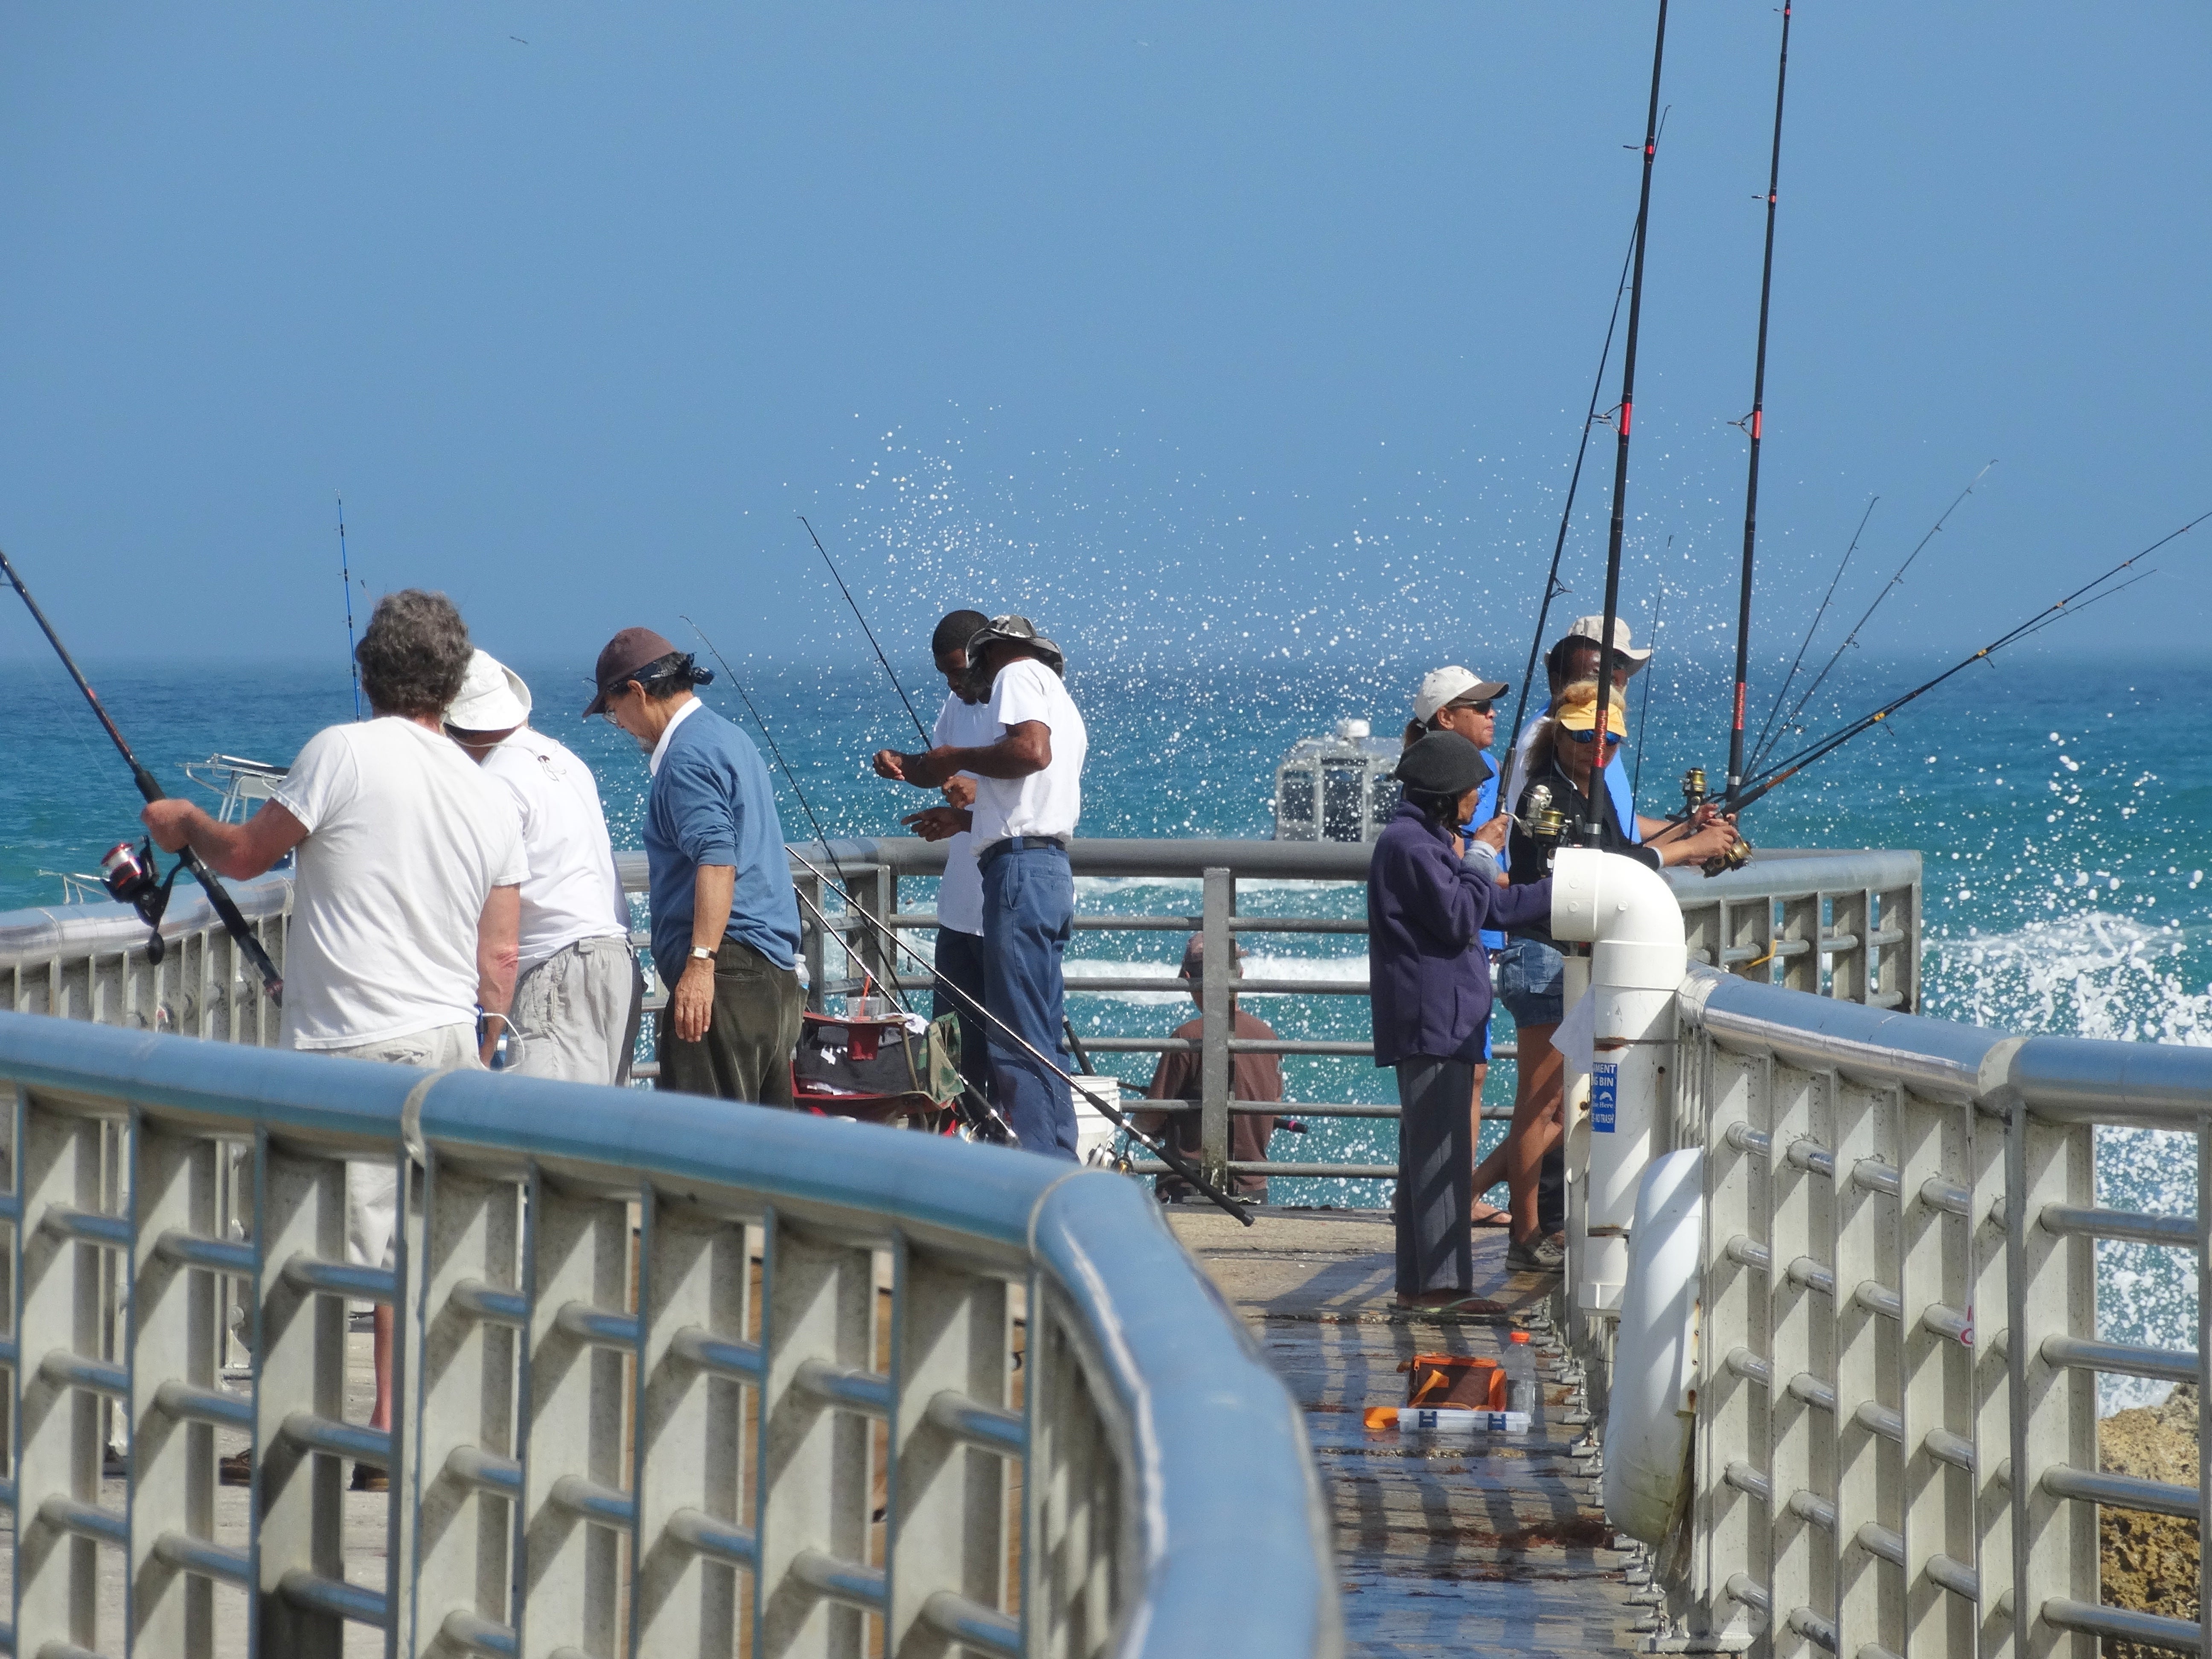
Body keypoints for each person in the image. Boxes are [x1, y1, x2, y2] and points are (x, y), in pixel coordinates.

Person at [142, 588, 525, 1487]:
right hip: (445, 1049)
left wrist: (181, 823)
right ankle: (391, 1433)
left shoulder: (339, 753)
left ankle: (294, 1435)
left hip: (343, 1051)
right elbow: (500, 952)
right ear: (454, 680)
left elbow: (244, 857)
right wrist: (486, 1040)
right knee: (407, 1251)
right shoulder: (488, 793)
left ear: (369, 670)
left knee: (304, 1255)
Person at [1496, 681, 1738, 1270]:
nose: (1597, 747)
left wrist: (1689, 830)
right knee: (1545, 1104)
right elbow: (1588, 875)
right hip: (1543, 959)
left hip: (1574, 962)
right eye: (1583, 735)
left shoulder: (1592, 785)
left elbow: (1621, 843)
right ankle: (1525, 1235)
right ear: (1560, 731)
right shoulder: (1546, 794)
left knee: (1559, 1101)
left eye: (1610, 738)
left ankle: (1515, 1211)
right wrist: (1683, 851)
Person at [872, 615, 1087, 1159]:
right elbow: (1025, 799)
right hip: (1046, 871)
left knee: (1014, 1042)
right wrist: (918, 767)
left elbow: (1030, 753)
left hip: (1018, 874)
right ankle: (1058, 1160)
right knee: (1036, 1036)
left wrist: (961, 757)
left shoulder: (1015, 675)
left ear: (987, 653)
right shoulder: (1054, 692)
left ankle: (1037, 1172)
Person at [1368, 729, 1553, 1310]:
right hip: (1434, 1021)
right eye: (1473, 790)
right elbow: (1457, 916)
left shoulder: (1429, 840)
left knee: (1427, 1156)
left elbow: (1491, 905)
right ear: (1448, 794)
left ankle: (1414, 1286)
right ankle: (1443, 1291)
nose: (1479, 800)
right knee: (1441, 1159)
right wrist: (1480, 854)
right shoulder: (1412, 847)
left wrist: (1564, 892)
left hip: (1443, 1019)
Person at [587, 626, 804, 1106]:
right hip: (772, 974)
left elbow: (717, 860)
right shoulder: (728, 737)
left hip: (728, 979)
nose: (618, 724)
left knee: (706, 1153)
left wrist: (701, 965)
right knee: (766, 1156)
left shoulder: (685, 757)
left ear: (638, 693)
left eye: (612, 710)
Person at [445, 649, 644, 1085]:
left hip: (559, 973)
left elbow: (500, 941)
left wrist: (485, 1043)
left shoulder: (494, 782)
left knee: (554, 1132)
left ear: (458, 727)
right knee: (600, 1135)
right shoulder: (567, 763)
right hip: (618, 961)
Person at [1403, 665, 1515, 1224]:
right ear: (1446, 718)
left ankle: (1445, 1196)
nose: (1492, 714)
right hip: (1468, 929)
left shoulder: (1487, 768)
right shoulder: (1446, 782)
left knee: (1469, 1071)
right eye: (1480, 706)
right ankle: (1448, 1200)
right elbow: (1458, 859)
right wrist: (1487, 859)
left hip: (1484, 928)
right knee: (1458, 1074)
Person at [882, 608, 996, 1115]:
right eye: (945, 675)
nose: (954, 683)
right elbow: (940, 769)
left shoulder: (1020, 705)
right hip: (958, 914)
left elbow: (1041, 790)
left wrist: (980, 792)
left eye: (960, 671)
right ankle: (963, 1148)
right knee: (951, 1059)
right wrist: (904, 765)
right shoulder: (957, 704)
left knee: (1009, 1053)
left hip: (1003, 913)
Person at [1499, 614, 1674, 841]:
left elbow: (1617, 825)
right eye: (1598, 663)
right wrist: (1687, 847)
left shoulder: (1595, 734)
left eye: (1618, 663)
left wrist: (1688, 831)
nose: (1609, 674)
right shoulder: (1561, 739)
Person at [1136, 935, 1283, 1202]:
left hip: (1191, 1188)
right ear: (1241, 974)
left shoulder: (1188, 1037)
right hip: (1255, 1189)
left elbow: (1151, 1117)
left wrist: (1138, 1123)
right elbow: (1274, 1106)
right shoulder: (1268, 1036)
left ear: (1191, 979)